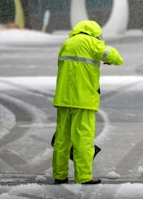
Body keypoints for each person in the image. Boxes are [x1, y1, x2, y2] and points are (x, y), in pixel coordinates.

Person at [52, 20, 123, 184]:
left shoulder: (67, 44)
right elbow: (116, 57)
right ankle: (83, 176)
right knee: (82, 139)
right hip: (83, 100)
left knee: (62, 139)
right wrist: (108, 59)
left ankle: (59, 175)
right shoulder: (92, 43)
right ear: (95, 33)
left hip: (63, 98)